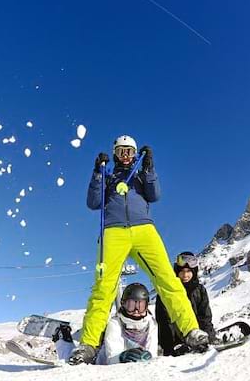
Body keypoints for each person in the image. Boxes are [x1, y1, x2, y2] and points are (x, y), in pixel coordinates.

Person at [68, 135, 209, 365]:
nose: (126, 156)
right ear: (115, 154)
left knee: (168, 280)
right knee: (103, 288)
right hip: (113, 232)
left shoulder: (140, 177)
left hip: (144, 230)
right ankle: (88, 345)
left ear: (135, 155)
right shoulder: (108, 176)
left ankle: (192, 331)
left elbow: (154, 195)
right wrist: (97, 173)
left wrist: (149, 168)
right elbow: (93, 203)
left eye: (130, 152)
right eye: (122, 151)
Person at [55, 283, 158, 364]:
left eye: (140, 306)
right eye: (131, 305)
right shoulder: (116, 323)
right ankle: (63, 338)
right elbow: (111, 357)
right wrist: (121, 357)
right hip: (101, 363)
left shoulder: (151, 324)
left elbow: (152, 353)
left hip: (133, 364)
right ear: (123, 304)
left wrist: (147, 356)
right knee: (74, 362)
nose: (136, 310)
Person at [156, 252, 217, 356]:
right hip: (176, 342)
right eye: (182, 272)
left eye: (188, 271)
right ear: (176, 272)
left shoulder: (200, 290)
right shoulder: (168, 293)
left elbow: (205, 317)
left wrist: (208, 337)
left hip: (198, 337)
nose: (185, 275)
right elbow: (164, 323)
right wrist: (169, 347)